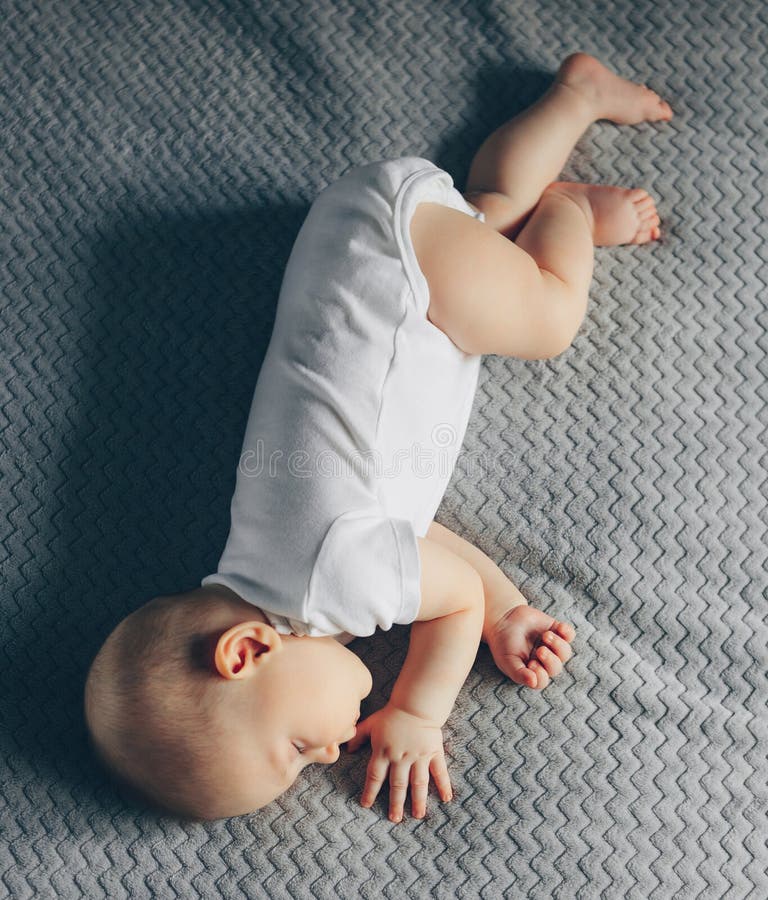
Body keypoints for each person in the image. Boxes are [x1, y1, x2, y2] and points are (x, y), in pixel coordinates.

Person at [83, 52, 673, 825]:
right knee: (491, 201)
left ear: (248, 653)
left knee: (550, 318)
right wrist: (507, 612)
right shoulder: (264, 563)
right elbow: (416, 540)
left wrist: (419, 712)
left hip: (409, 277)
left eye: (295, 748)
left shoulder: (331, 587)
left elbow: (449, 599)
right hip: (363, 242)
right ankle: (576, 95)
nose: (329, 755)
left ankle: (569, 213)